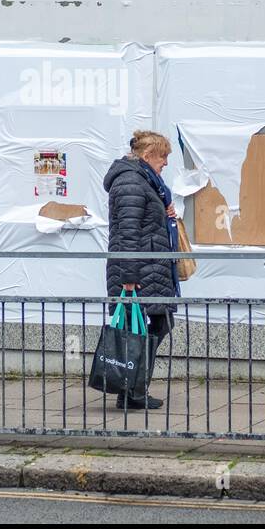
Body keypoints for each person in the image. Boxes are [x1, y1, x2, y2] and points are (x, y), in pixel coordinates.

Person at [102, 129, 179, 410]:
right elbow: (128, 232)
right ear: (147, 156)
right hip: (138, 272)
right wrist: (130, 278)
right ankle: (131, 391)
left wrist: (165, 211)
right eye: (163, 156)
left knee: (155, 325)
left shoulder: (145, 181)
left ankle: (132, 389)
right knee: (146, 328)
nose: (166, 163)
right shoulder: (131, 182)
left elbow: (143, 221)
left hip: (150, 270)